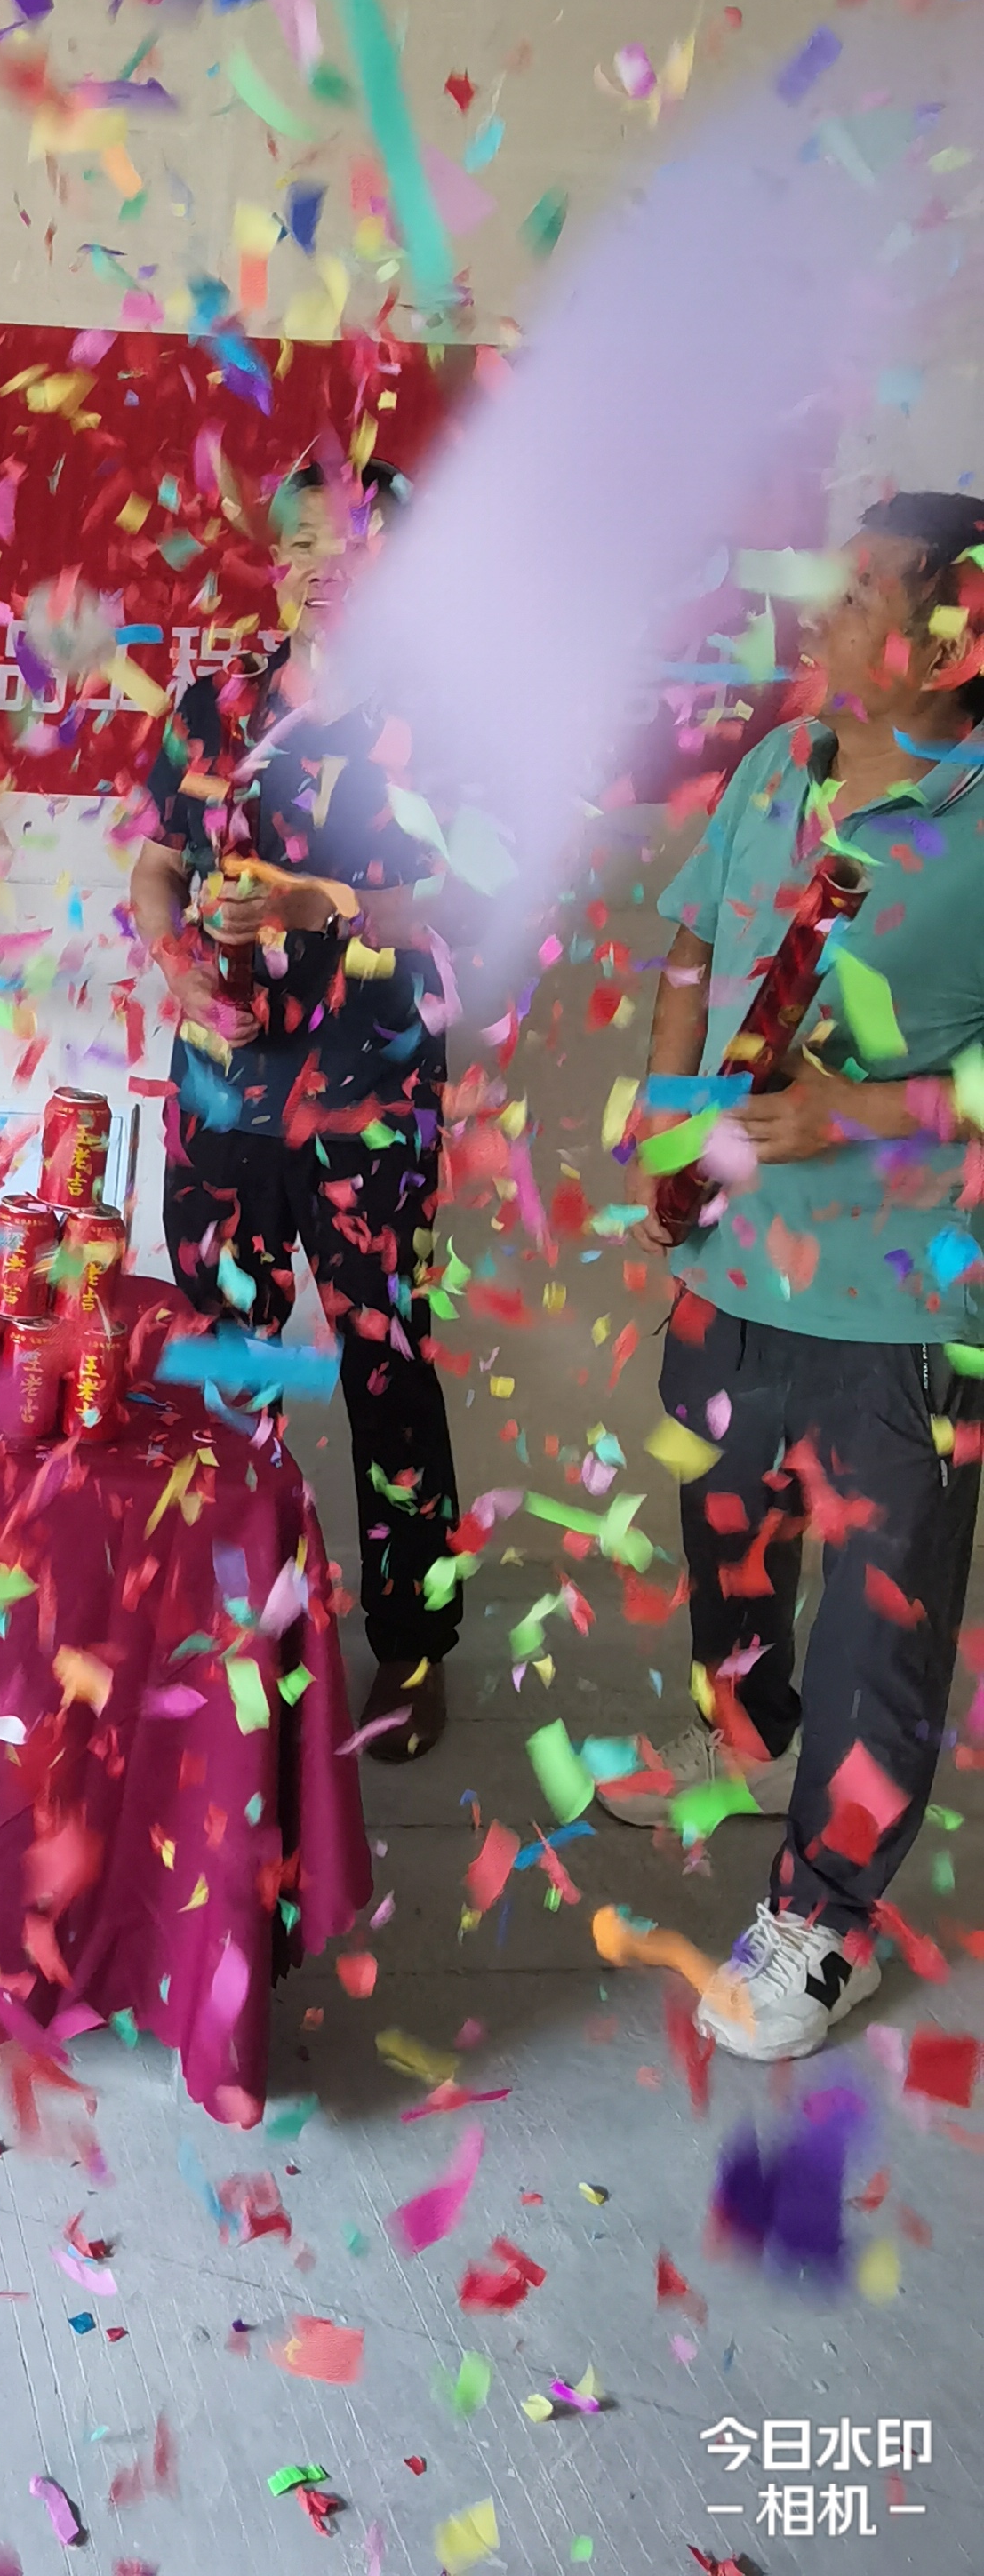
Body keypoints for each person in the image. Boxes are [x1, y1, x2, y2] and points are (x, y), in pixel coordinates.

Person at [598, 492, 984, 2060]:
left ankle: (825, 1925)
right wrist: (668, 1126)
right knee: (730, 1560)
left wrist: (859, 1114)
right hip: (729, 1275)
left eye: (865, 594)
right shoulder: (780, 768)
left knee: (874, 1635)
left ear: (954, 643)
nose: (822, 615)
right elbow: (693, 948)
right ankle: (753, 1744)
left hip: (902, 1312)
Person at [129, 454, 460, 1759]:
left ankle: (413, 1647)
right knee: (229, 1349)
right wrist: (176, 962)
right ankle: (238, 1626)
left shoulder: (442, 718)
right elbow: (160, 866)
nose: (326, 565)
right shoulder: (214, 706)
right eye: (305, 541)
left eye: (356, 541)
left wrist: (314, 902)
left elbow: (463, 899)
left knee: (384, 1358)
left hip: (372, 1087)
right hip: (225, 1083)